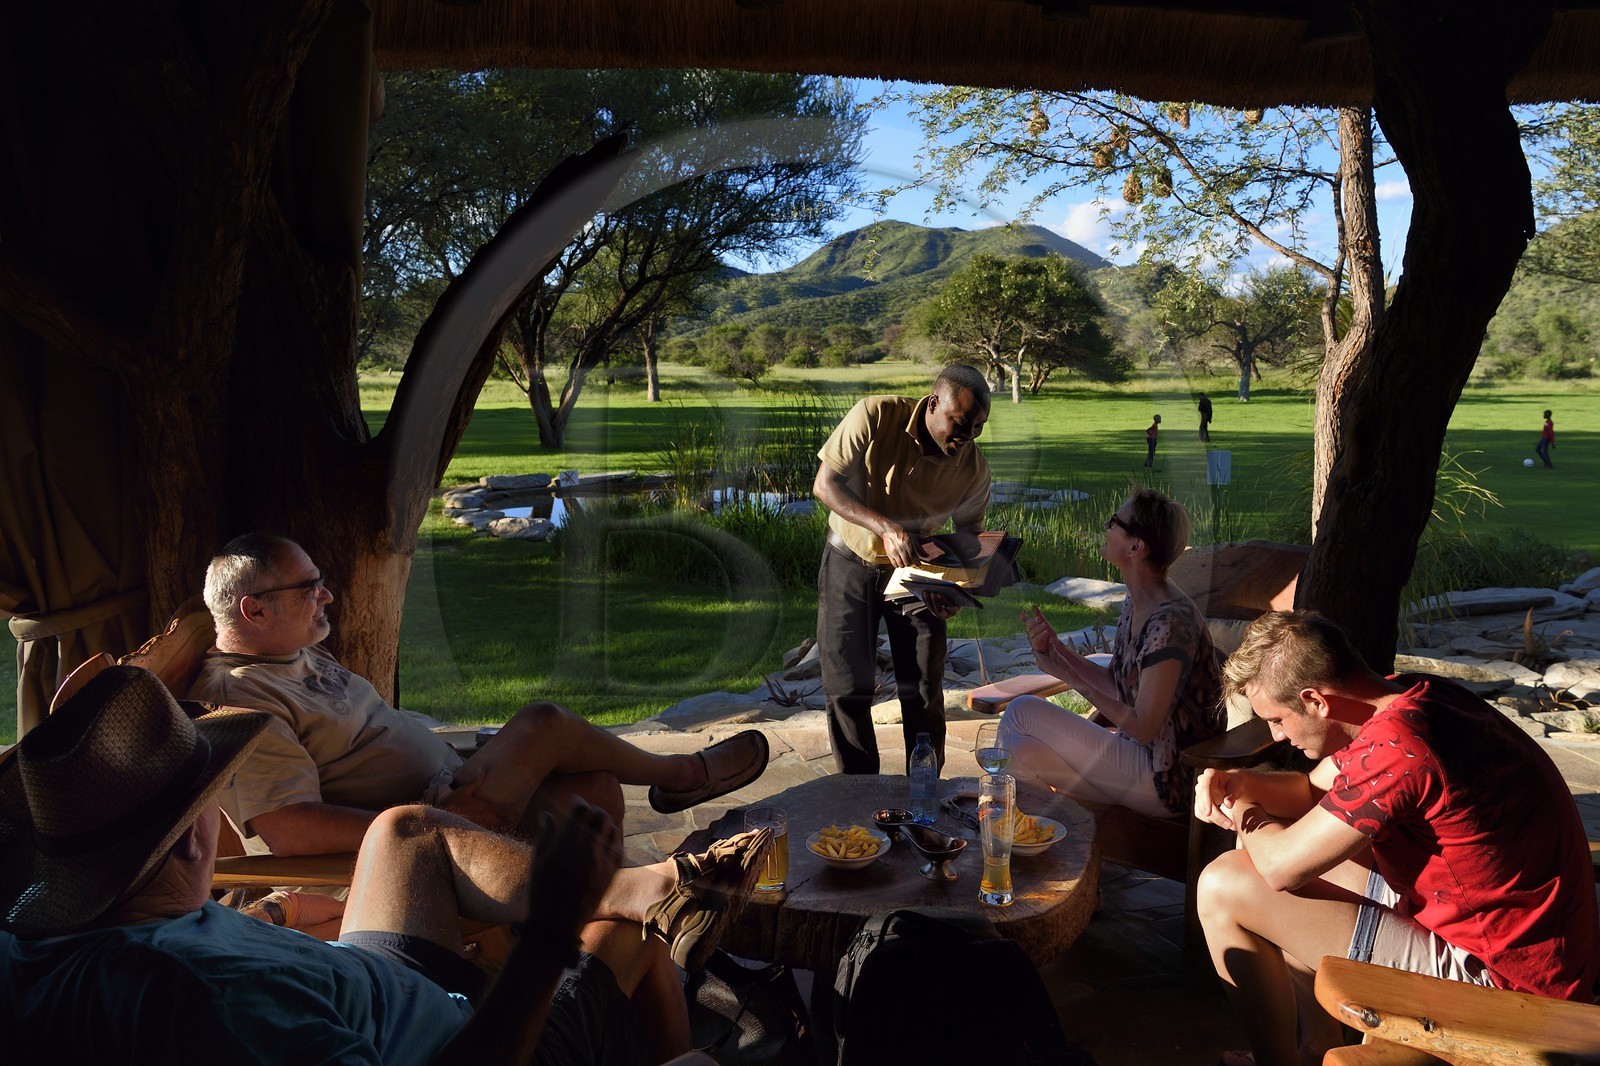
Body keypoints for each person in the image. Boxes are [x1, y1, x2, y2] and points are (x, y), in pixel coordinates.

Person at [0, 661, 775, 1064]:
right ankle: (648, 923)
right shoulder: (231, 1002)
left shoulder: (36, 943)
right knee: (616, 935)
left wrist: (272, 912)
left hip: (375, 989)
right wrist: (546, 934)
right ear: (195, 838)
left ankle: (651, 889)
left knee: (405, 832)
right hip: (465, 1044)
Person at [190, 533, 770, 858]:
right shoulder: (241, 700)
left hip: (449, 784)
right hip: (425, 824)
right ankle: (681, 776)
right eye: (310, 587)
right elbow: (288, 826)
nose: (329, 595)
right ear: (254, 609)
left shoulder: (290, 652)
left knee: (591, 794)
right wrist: (425, 821)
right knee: (544, 722)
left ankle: (599, 935)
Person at [1194, 610, 1600, 1066]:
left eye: (1276, 719)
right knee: (1264, 840)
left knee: (1225, 886)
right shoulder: (1408, 697)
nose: (1277, 736)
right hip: (1531, 946)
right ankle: (1315, 1046)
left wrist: (1244, 809)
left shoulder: (1401, 748)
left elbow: (1280, 869)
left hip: (1508, 985)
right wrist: (1239, 783)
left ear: (1315, 700)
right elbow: (1310, 791)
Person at [812, 363, 992, 774]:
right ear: (934, 404)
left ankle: (924, 794)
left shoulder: (974, 468)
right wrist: (884, 527)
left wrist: (955, 592)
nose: (967, 437)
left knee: (924, 690)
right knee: (846, 685)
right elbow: (825, 485)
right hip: (849, 559)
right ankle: (857, 793)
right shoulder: (875, 415)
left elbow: (970, 537)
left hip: (917, 576)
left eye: (978, 427)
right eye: (961, 423)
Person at [999, 489, 1224, 816]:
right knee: (1018, 755)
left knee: (1022, 710)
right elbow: (1118, 685)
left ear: (1136, 546)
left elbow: (1144, 727)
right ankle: (1044, 843)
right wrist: (1058, 652)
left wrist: (1069, 675)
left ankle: (1017, 832)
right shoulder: (1138, 601)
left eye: (1114, 523)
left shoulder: (1171, 623)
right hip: (1136, 757)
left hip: (1168, 778)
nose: (1106, 527)